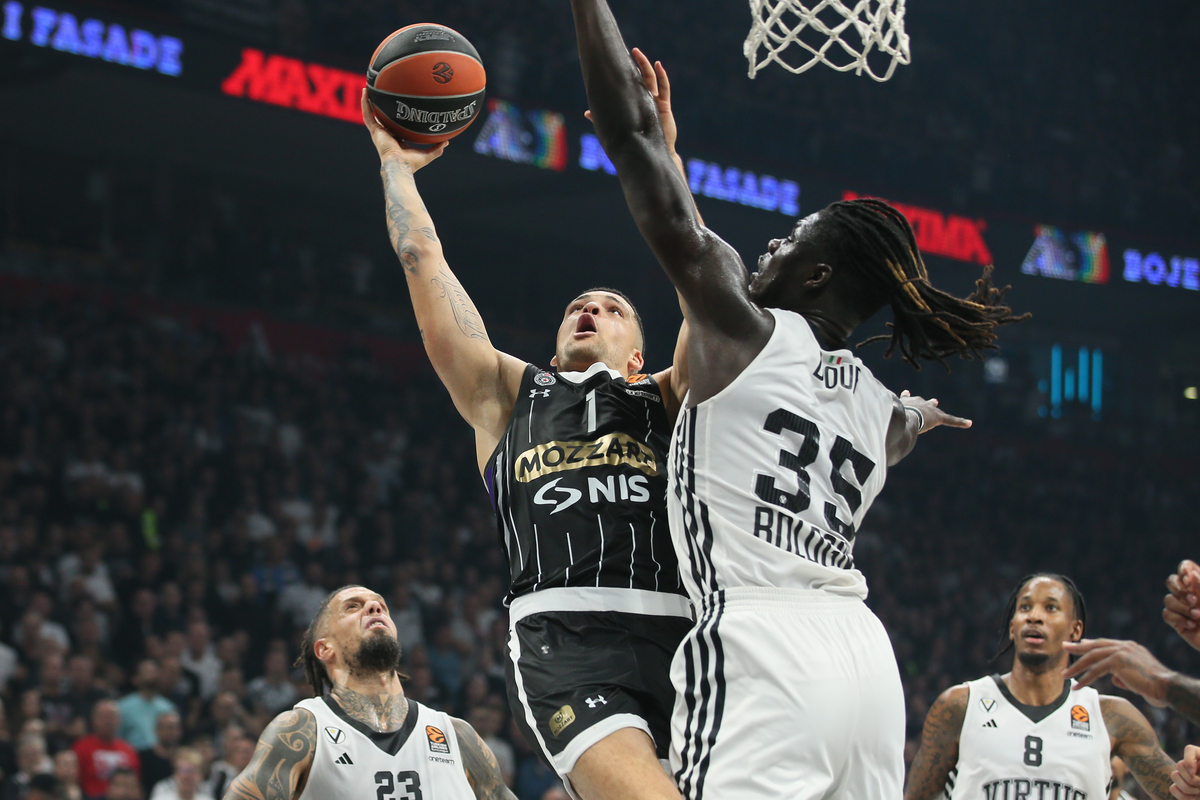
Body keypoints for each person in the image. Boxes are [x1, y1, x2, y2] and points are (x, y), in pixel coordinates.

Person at [567, 1, 1023, 797]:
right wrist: (923, 414)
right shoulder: (877, 407)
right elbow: (907, 423)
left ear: (814, 276)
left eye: (788, 240)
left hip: (762, 642)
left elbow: (628, 137)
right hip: (865, 663)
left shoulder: (741, 328)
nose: (770, 245)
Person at [361, 59, 697, 798]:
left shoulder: (672, 395)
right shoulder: (508, 394)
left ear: (639, 352)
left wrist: (663, 163)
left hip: (692, 634)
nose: (591, 309)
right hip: (566, 638)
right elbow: (421, 256)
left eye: (611, 307)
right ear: (553, 345)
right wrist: (395, 163)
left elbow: (706, 287)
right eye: (580, 304)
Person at [223, 585, 514, 800]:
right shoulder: (303, 730)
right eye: (353, 607)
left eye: (381, 606)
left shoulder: (456, 735)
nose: (375, 608)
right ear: (325, 648)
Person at [905, 574, 1179, 800]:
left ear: (1075, 630)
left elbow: (1180, 795)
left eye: (1050, 608)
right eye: (1025, 607)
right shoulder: (959, 705)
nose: (1034, 616)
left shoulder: (1112, 717)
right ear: (1012, 627)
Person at [73, 701, 140, 800]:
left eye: (111, 717)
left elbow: (136, 783)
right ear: (93, 720)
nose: (108, 721)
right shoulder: (81, 748)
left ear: (119, 720)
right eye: (103, 717)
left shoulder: (128, 749)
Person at [117, 661, 177, 752]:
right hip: (134, 755)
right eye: (146, 672)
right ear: (136, 678)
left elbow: (174, 737)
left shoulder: (167, 707)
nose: (151, 675)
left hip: (161, 757)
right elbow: (118, 737)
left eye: (154, 672)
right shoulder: (123, 707)